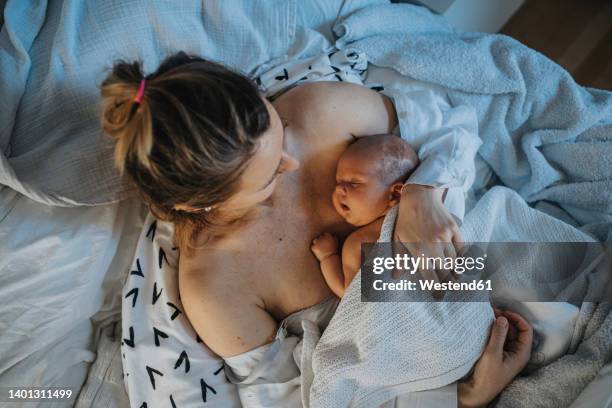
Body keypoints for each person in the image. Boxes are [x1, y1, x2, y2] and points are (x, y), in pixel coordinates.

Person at [100, 52, 533, 407]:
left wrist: (421, 192)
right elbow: (301, 397)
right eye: (269, 177)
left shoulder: (320, 111)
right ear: (198, 203)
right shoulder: (217, 287)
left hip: (491, 255)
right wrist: (465, 396)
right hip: (430, 375)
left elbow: (451, 126)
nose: (292, 164)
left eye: (278, 133)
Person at [311, 134, 420, 297]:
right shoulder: (420, 217)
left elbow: (351, 297)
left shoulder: (358, 244)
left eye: (354, 183)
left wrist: (328, 257)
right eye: (338, 181)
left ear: (395, 195)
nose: (339, 189)